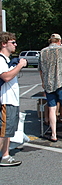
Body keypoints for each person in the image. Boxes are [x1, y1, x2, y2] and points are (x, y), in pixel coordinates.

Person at [0, 32, 27, 166]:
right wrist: (20, 65)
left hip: (12, 100)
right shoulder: (0, 59)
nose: (15, 44)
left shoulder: (6, 60)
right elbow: (6, 77)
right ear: (4, 44)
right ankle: (2, 156)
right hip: (5, 100)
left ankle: (5, 154)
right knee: (3, 130)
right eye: (13, 42)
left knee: (8, 130)